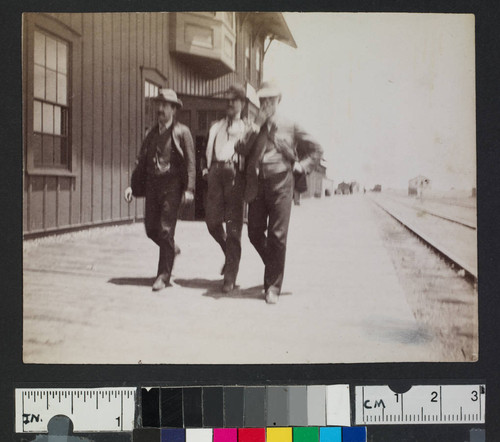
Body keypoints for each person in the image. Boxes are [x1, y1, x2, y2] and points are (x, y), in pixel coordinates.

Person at [235, 81, 323, 304]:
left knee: (277, 236)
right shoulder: (254, 125)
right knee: (254, 232)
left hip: (282, 184)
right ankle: (273, 265)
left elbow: (316, 149)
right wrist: (256, 125)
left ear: (278, 101)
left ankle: (272, 287)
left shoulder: (290, 125)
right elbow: (240, 148)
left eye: (271, 100)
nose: (266, 104)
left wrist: (302, 166)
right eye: (263, 100)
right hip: (257, 185)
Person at [124, 88, 195, 291]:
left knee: (165, 229)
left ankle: (163, 276)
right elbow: (140, 161)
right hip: (153, 186)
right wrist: (132, 186)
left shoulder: (183, 132)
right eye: (159, 105)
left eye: (165, 105)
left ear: (174, 109)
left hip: (172, 187)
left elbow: (190, 163)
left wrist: (189, 189)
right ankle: (171, 248)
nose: (161, 109)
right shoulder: (151, 133)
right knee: (151, 229)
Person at [202, 84, 247, 293]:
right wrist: (206, 169)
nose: (229, 103)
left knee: (234, 227)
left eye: (234, 100)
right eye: (227, 100)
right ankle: (230, 255)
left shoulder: (248, 128)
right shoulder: (216, 126)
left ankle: (230, 275)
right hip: (215, 174)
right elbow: (208, 149)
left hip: (235, 176)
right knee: (212, 222)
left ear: (242, 103)